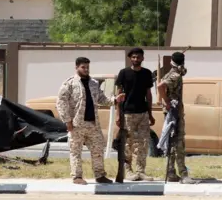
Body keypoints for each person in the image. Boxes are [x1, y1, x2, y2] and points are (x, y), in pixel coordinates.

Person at [57, 57, 125, 185]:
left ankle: (100, 175)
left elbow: (101, 99)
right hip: (77, 124)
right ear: (76, 67)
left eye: (87, 67)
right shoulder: (69, 84)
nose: (86, 69)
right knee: (75, 150)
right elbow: (61, 102)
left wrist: (115, 100)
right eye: (83, 67)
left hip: (92, 124)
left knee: (98, 149)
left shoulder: (93, 83)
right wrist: (67, 121)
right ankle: (77, 176)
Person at [115, 48, 155, 181]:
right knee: (128, 144)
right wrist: (117, 115)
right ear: (130, 58)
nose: (136, 59)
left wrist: (150, 113)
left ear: (143, 58)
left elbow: (148, 94)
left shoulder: (147, 73)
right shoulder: (124, 73)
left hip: (143, 113)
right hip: (127, 113)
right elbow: (119, 95)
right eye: (133, 57)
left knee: (143, 143)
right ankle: (127, 170)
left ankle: (140, 171)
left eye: (138, 57)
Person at [157, 52, 197, 184]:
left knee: (172, 142)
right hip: (174, 112)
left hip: (173, 111)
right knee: (179, 142)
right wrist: (167, 101)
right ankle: (183, 174)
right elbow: (160, 86)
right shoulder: (174, 75)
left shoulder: (173, 73)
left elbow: (182, 72)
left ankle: (170, 173)